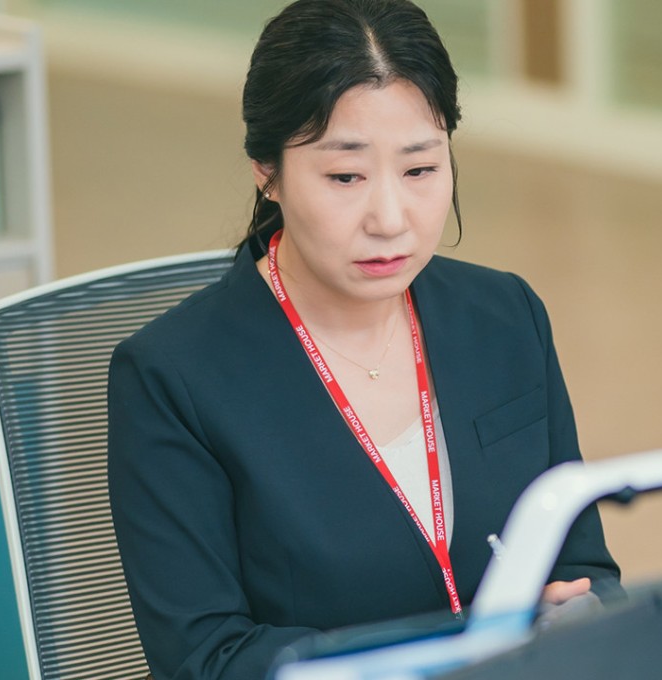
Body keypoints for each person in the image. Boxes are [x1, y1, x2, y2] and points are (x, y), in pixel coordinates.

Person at [107, 1, 621, 678]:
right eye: (345, 176)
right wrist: (451, 651)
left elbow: (582, 564)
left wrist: (578, 617)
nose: (389, 218)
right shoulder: (172, 376)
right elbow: (207, 658)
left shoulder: (505, 314)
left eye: (420, 170)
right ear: (267, 168)